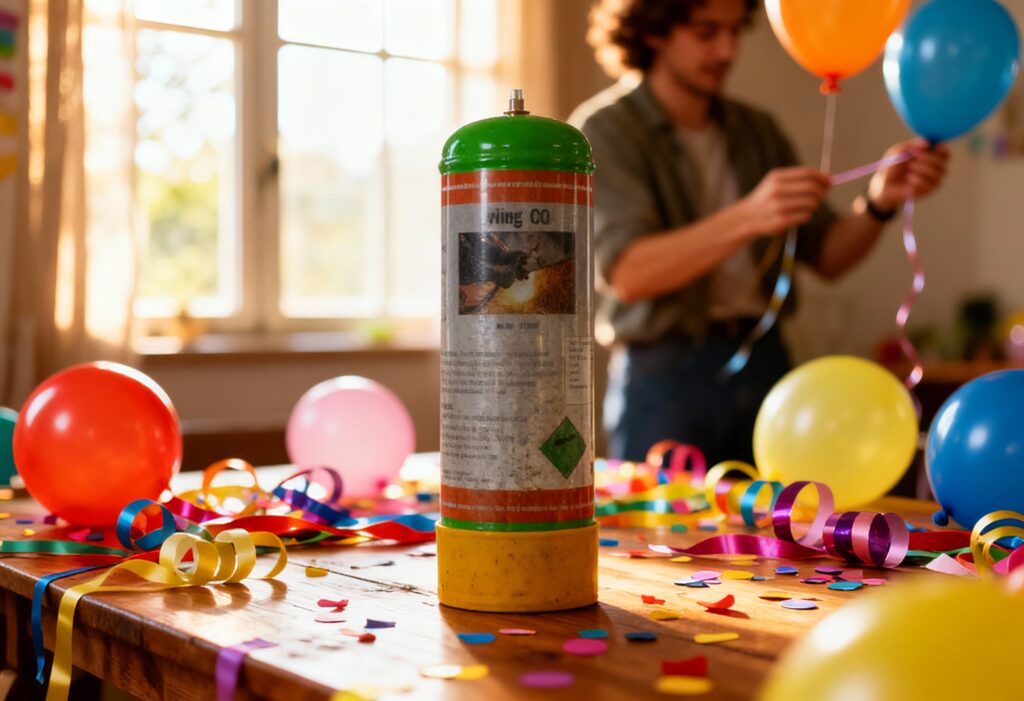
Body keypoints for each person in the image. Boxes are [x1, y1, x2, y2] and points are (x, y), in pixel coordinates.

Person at [569, 0, 950, 465]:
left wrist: (878, 203)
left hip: (767, 362)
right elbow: (629, 272)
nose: (727, 49)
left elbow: (829, 258)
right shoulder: (605, 131)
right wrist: (750, 215)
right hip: (666, 373)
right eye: (707, 32)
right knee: (662, 530)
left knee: (776, 525)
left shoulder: (756, 130)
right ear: (652, 32)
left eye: (734, 32)